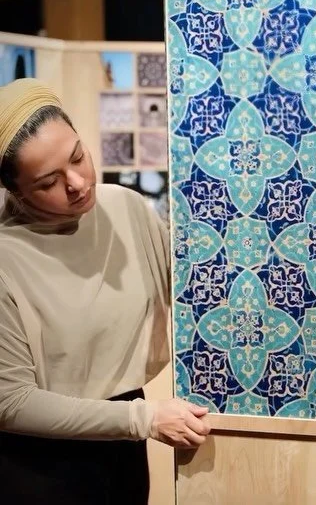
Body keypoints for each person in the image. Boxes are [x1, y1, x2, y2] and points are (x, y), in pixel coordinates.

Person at [0, 78, 211, 504]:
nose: (77, 183)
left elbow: (191, 288)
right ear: (15, 190)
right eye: (48, 182)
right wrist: (142, 419)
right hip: (40, 465)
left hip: (122, 449)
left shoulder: (123, 207)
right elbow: (11, 402)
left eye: (78, 156)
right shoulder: (7, 258)